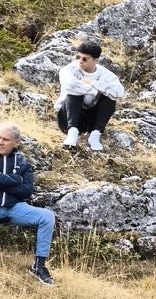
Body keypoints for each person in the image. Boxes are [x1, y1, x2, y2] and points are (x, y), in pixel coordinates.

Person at [0, 123, 56, 284]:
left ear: (16, 142)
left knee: (46, 216)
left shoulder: (23, 163)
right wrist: (15, 180)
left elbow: (26, 191)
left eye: (5, 139)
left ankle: (39, 266)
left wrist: (4, 184)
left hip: (14, 208)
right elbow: (19, 184)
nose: (1, 142)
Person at [54, 38, 125, 153]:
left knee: (110, 99)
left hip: (90, 119)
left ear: (95, 60)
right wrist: (94, 90)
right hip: (67, 118)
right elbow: (71, 86)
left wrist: (94, 83)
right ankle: (72, 134)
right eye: (78, 57)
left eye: (85, 59)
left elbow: (119, 92)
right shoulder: (69, 69)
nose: (80, 61)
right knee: (74, 93)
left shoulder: (105, 74)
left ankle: (95, 135)